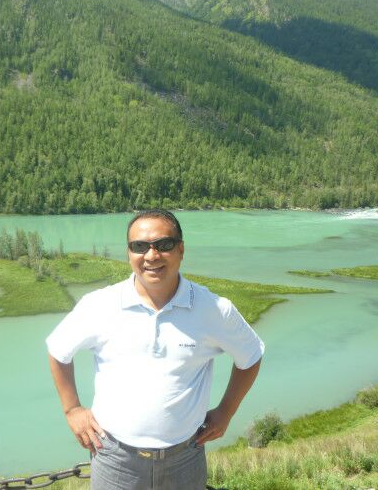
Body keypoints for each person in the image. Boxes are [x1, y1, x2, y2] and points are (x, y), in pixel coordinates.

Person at [46, 209, 264, 490]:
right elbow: (58, 351)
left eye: (164, 244)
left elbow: (251, 355)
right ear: (129, 253)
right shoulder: (99, 305)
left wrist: (226, 411)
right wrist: (72, 409)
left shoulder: (213, 309)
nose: (151, 255)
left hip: (185, 458)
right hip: (114, 458)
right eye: (139, 246)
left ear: (181, 249)